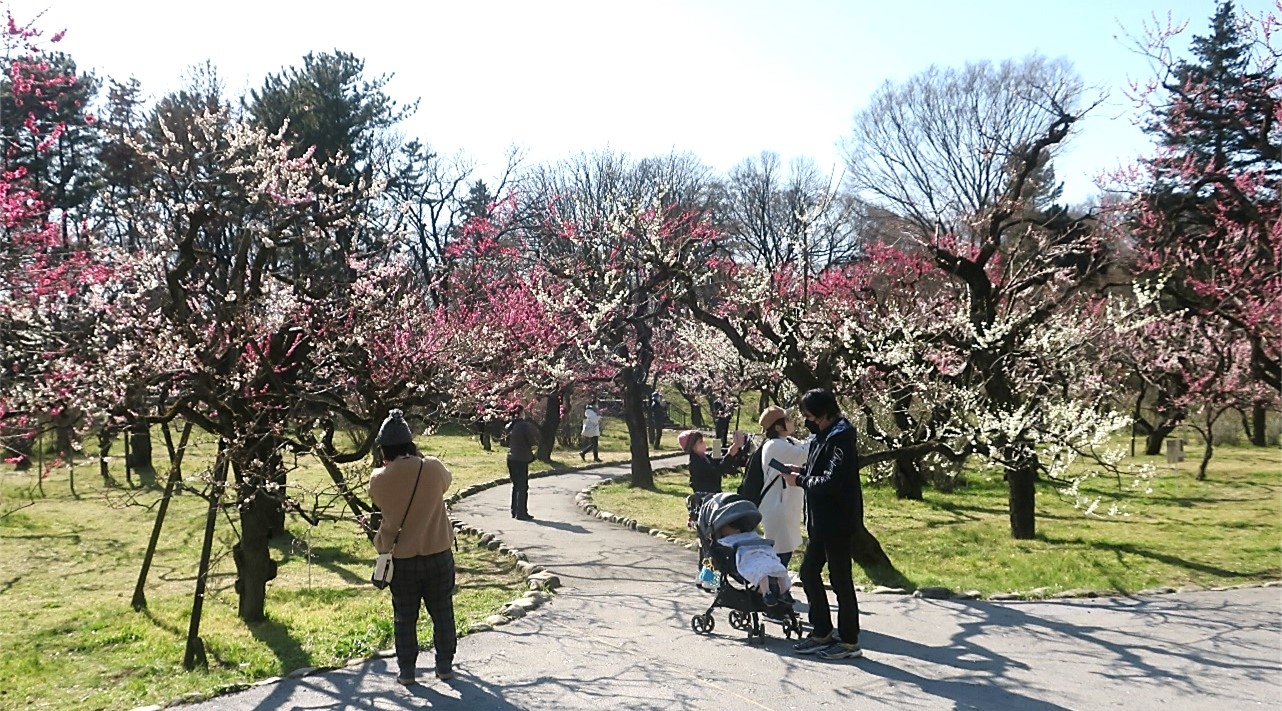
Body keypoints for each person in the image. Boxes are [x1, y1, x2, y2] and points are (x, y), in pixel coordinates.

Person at [368, 409, 457, 684]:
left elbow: (380, 502)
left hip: (403, 560)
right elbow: (447, 482)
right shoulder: (432, 467)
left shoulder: (379, 479)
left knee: (405, 617)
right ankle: (444, 666)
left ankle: (407, 671)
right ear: (411, 443)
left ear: (383, 448)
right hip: (439, 553)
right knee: (442, 612)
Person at [780, 389, 864, 661]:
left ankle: (849, 641)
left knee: (841, 581)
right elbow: (819, 472)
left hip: (837, 522)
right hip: (820, 522)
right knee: (808, 573)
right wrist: (800, 472)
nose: (808, 421)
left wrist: (800, 482)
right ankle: (822, 631)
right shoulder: (822, 437)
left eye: (810, 416)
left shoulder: (840, 438)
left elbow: (832, 481)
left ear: (825, 413)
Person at [755, 406, 807, 567]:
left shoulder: (787, 441)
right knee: (780, 553)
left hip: (786, 506)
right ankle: (771, 589)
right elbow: (802, 455)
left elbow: (803, 447)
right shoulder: (774, 446)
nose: (792, 421)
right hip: (777, 507)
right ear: (778, 427)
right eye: (787, 419)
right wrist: (818, 435)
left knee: (785, 550)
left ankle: (773, 589)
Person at [716, 519, 794, 609]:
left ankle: (784, 592)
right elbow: (727, 547)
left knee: (779, 568)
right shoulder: (727, 540)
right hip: (749, 557)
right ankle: (766, 593)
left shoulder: (749, 535)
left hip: (762, 553)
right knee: (761, 570)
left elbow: (757, 539)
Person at [678, 429, 743, 495]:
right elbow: (717, 471)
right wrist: (730, 454)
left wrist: (734, 449)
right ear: (692, 447)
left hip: (715, 494)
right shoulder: (696, 463)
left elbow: (718, 462)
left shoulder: (706, 457)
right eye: (700, 442)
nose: (703, 444)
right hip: (706, 498)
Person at [505, 406, 539, 520]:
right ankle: (521, 512)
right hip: (521, 458)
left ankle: (514, 510)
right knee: (523, 486)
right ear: (520, 413)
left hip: (511, 457)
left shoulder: (510, 425)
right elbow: (532, 441)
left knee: (515, 485)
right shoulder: (524, 425)